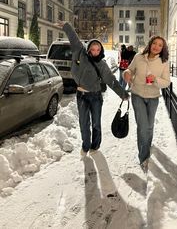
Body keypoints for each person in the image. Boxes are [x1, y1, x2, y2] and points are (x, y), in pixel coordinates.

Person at [57, 21, 129, 158]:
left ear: (100, 51)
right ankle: (85, 145)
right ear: (89, 48)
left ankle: (95, 145)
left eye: (98, 50)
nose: (95, 52)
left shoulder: (102, 65)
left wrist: (122, 93)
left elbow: (111, 81)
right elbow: (74, 38)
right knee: (84, 123)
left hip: (95, 96)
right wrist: (66, 26)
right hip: (82, 96)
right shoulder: (80, 54)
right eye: (93, 49)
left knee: (96, 123)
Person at [123, 36, 170, 172]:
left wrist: (155, 79)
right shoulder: (139, 57)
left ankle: (146, 148)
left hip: (153, 97)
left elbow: (166, 82)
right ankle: (143, 157)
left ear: (163, 48)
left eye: (160, 45)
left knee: (149, 127)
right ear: (150, 44)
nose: (156, 46)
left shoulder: (164, 62)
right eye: (154, 43)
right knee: (143, 127)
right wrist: (127, 73)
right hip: (137, 95)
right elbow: (130, 70)